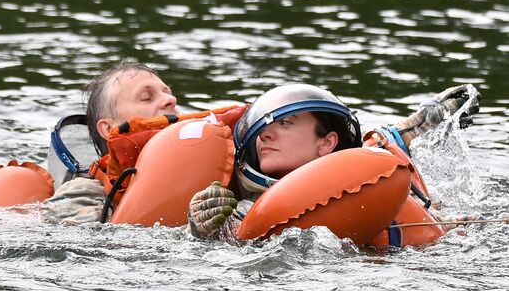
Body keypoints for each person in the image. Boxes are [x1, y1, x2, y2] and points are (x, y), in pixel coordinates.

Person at [186, 83, 481, 240]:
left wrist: (433, 115)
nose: (266, 136)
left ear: (327, 143)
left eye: (285, 123)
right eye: (262, 129)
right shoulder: (249, 210)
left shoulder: (376, 171)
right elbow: (229, 244)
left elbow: (391, 139)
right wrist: (199, 228)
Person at [43, 59, 178, 223]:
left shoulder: (208, 164)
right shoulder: (81, 194)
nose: (171, 100)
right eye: (147, 98)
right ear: (108, 128)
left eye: (168, 93)